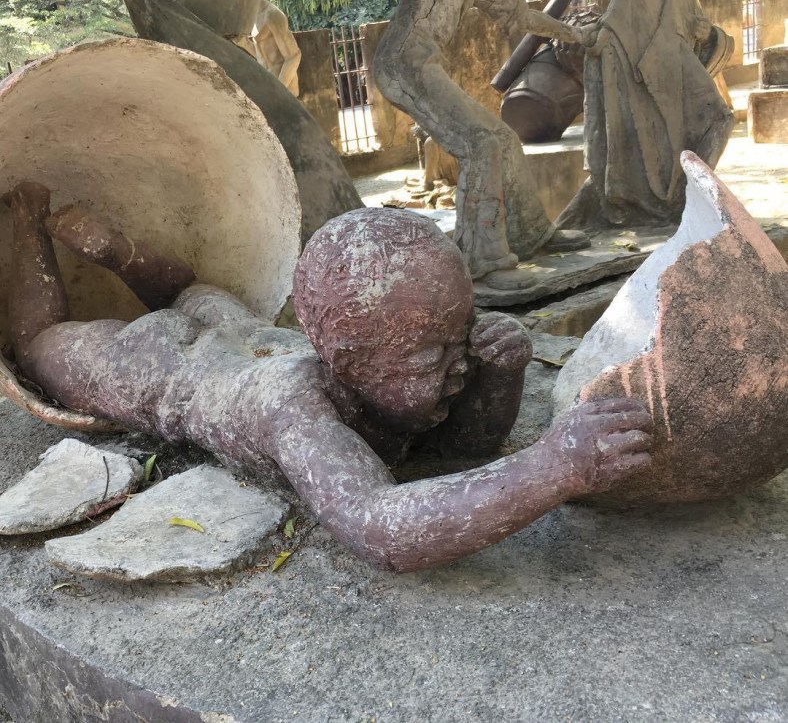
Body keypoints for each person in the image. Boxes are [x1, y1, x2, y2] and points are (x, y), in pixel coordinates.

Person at [2, 181, 652, 572]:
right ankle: (27, 215)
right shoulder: (296, 413)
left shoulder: (387, 382)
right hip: (161, 365)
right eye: (432, 358)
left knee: (194, 292)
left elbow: (464, 445)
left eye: (465, 334)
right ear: (346, 364)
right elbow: (380, 528)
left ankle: (122, 254)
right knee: (37, 349)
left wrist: (500, 375)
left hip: (246, 333)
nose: (460, 366)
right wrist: (553, 468)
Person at [373, 0, 593, 291]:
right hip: (403, 64)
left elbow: (523, 17)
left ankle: (530, 234)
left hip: (423, 64)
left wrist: (577, 35)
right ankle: (482, 261)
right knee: (480, 144)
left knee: (504, 138)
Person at [556, 0, 735, 229]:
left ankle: (686, 199)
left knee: (713, 122)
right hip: (658, 59)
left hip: (672, 61)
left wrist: (704, 32)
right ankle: (684, 201)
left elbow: (689, 26)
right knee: (719, 118)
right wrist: (610, 28)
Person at [233, 0, 301, 96]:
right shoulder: (253, 17)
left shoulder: (272, 15)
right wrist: (244, 43)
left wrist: (279, 90)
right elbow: (263, 56)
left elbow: (293, 57)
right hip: (268, 84)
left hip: (284, 88)